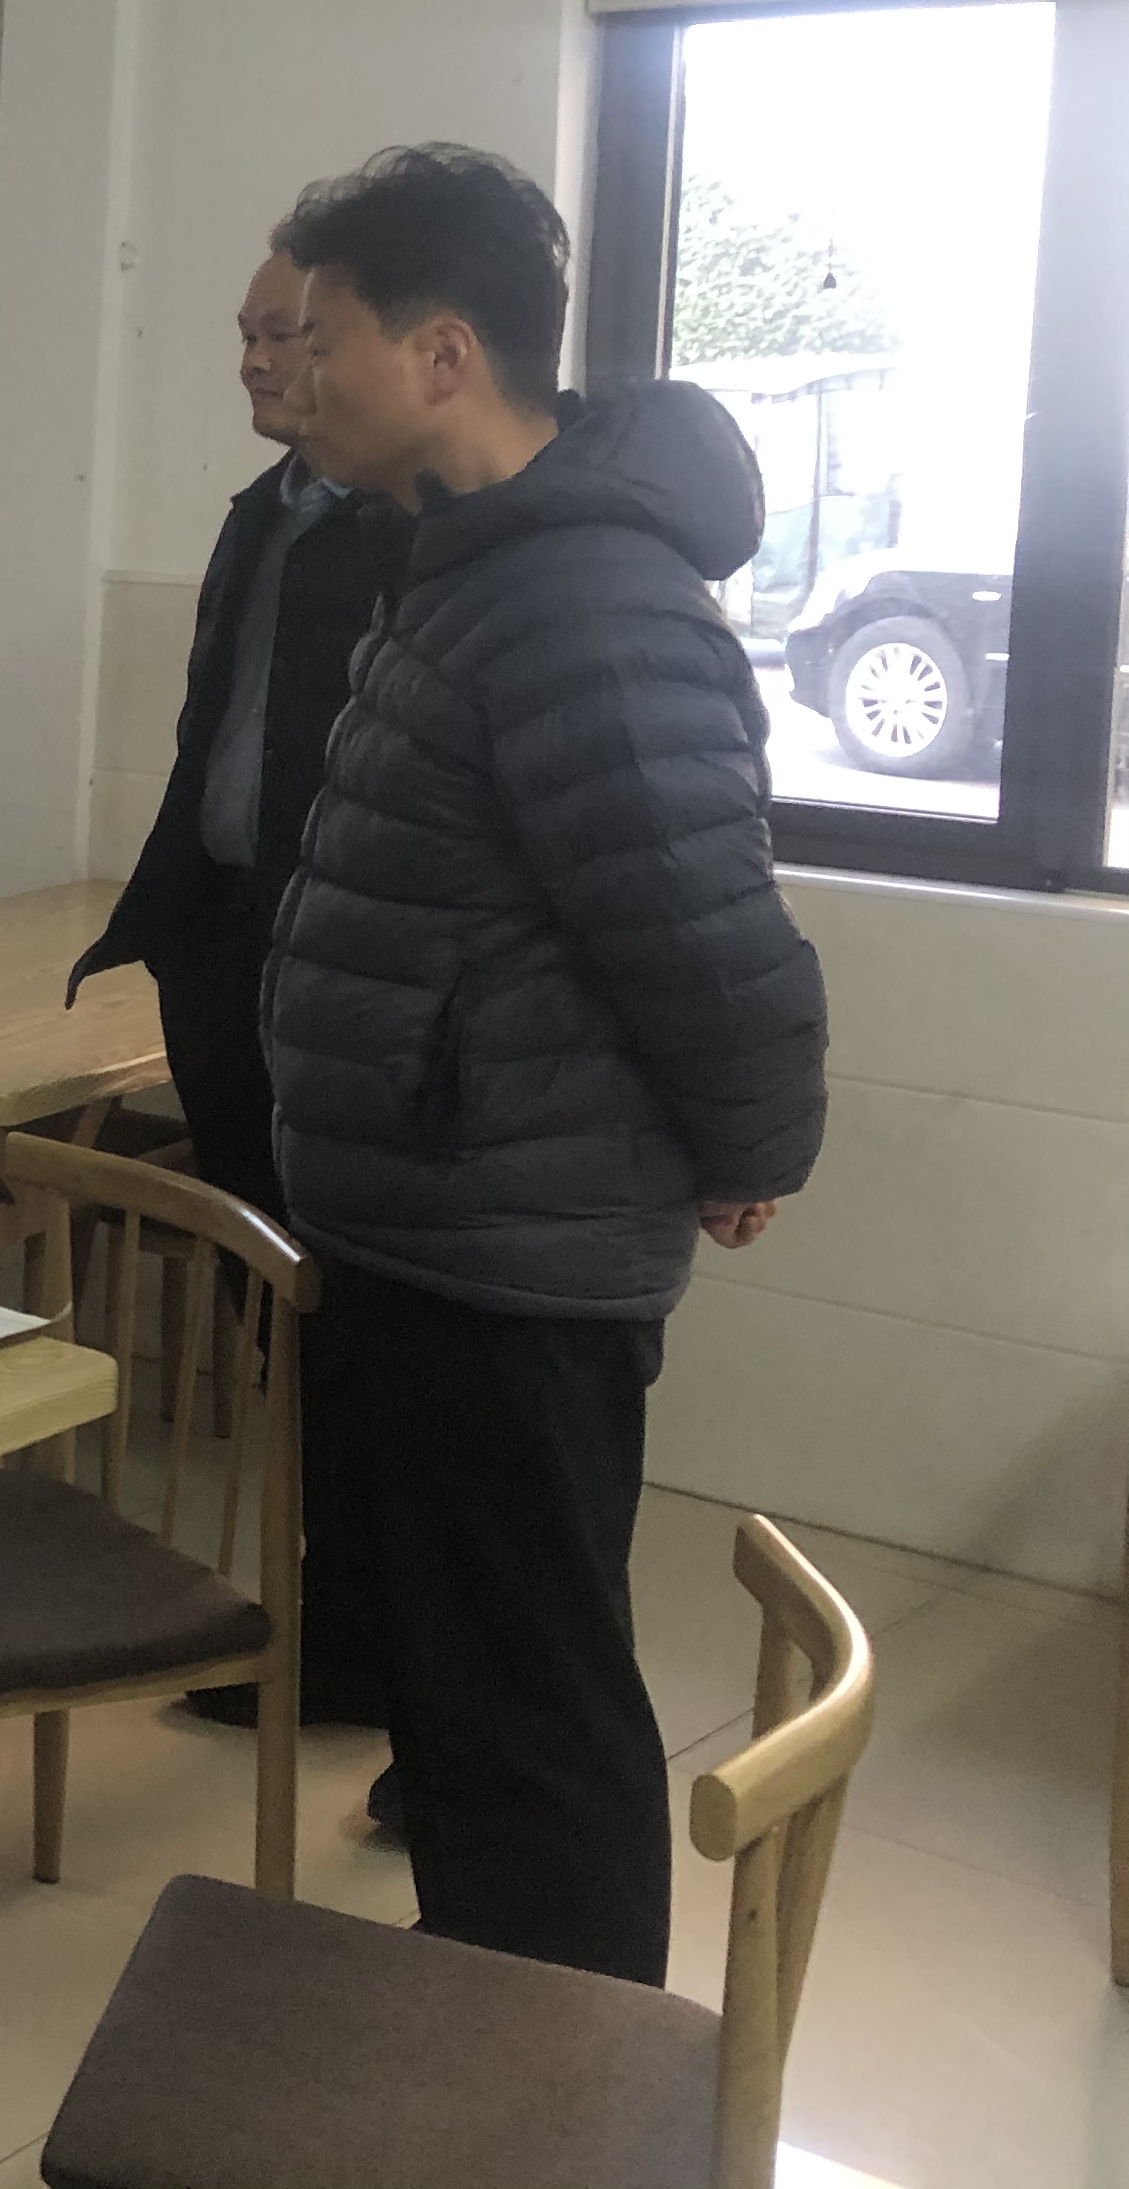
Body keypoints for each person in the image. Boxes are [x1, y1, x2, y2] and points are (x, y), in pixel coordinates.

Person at [262, 140, 826, 1987]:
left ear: (442, 354)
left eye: (325, 334)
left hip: (510, 1253)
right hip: (438, 1222)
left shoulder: (582, 597)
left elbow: (703, 925)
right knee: (467, 1699)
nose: (297, 370)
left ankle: (570, 2079)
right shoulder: (470, 564)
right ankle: (487, 2047)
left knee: (531, 1707)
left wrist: (747, 1140)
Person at [72, 244, 408, 1739]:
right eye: (248, 334)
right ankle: (332, 1628)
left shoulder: (414, 535)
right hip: (220, 949)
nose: (258, 362)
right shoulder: (260, 515)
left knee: (362, 1326)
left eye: (288, 335)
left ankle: (388, 1654)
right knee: (280, 1307)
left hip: (332, 964)